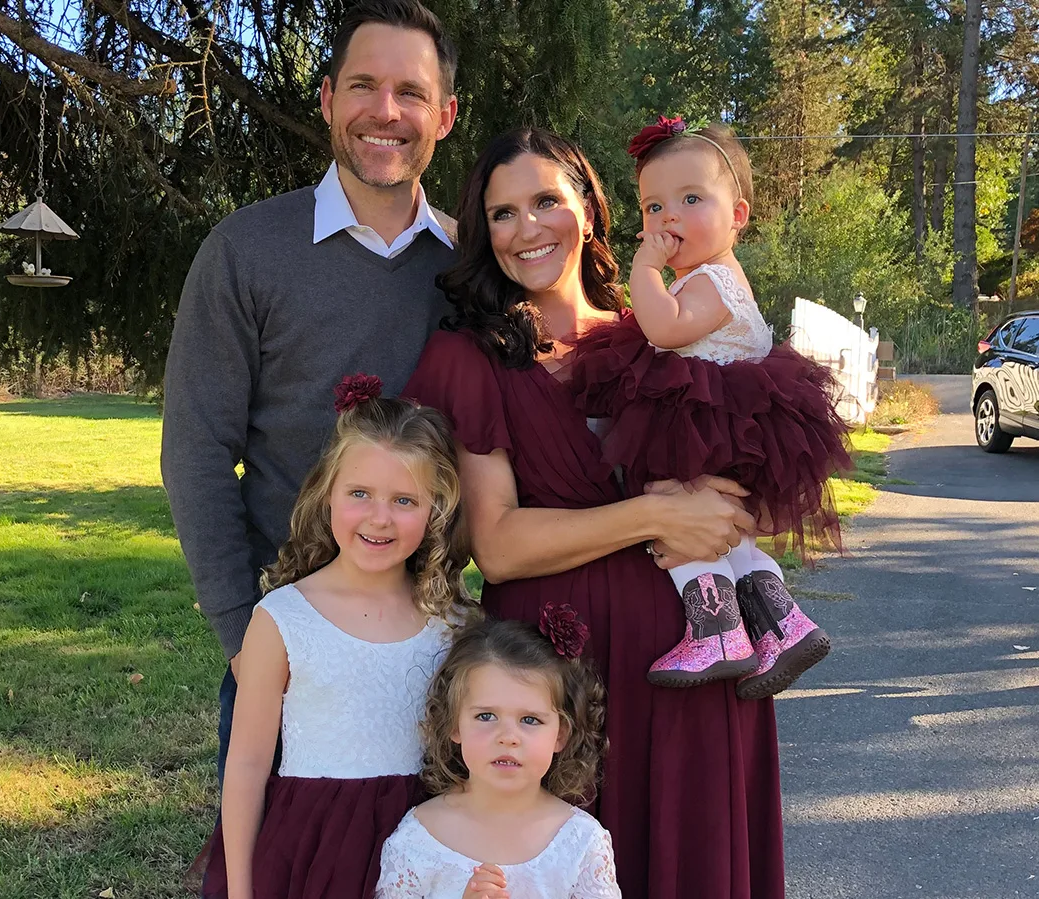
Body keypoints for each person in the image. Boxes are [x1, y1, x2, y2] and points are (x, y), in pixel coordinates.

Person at [403, 127, 784, 898]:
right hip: (558, 678)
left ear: (588, 206)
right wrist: (654, 514)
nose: (528, 227)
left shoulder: (659, 323)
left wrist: (736, 510)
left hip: (697, 659)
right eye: (502, 213)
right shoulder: (471, 356)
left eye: (546, 199)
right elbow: (499, 545)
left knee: (695, 859)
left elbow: (745, 469)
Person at [159, 0, 460, 857]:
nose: (385, 111)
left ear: (442, 115)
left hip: (433, 650)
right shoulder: (247, 251)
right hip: (285, 648)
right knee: (284, 867)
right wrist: (238, 635)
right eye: (363, 85)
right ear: (328, 99)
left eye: (411, 91)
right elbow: (195, 452)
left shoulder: (470, 268)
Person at [571, 116, 850, 697]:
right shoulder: (715, 276)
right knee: (734, 536)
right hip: (730, 421)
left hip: (706, 422)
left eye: (690, 198)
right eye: (652, 207)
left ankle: (718, 630)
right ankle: (783, 626)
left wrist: (645, 269)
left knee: (672, 509)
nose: (667, 218)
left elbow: (665, 330)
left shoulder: (711, 282)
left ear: (738, 216)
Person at [201, 376, 477, 899]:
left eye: (404, 500)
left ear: (436, 508)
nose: (379, 517)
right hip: (314, 846)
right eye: (359, 494)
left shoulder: (456, 625)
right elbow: (247, 764)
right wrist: (240, 890)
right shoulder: (283, 618)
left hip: (426, 844)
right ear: (327, 494)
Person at [375, 608, 619, 899]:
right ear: (454, 724)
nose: (507, 737)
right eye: (486, 716)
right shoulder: (418, 838)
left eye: (530, 720)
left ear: (560, 735)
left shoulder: (581, 841)